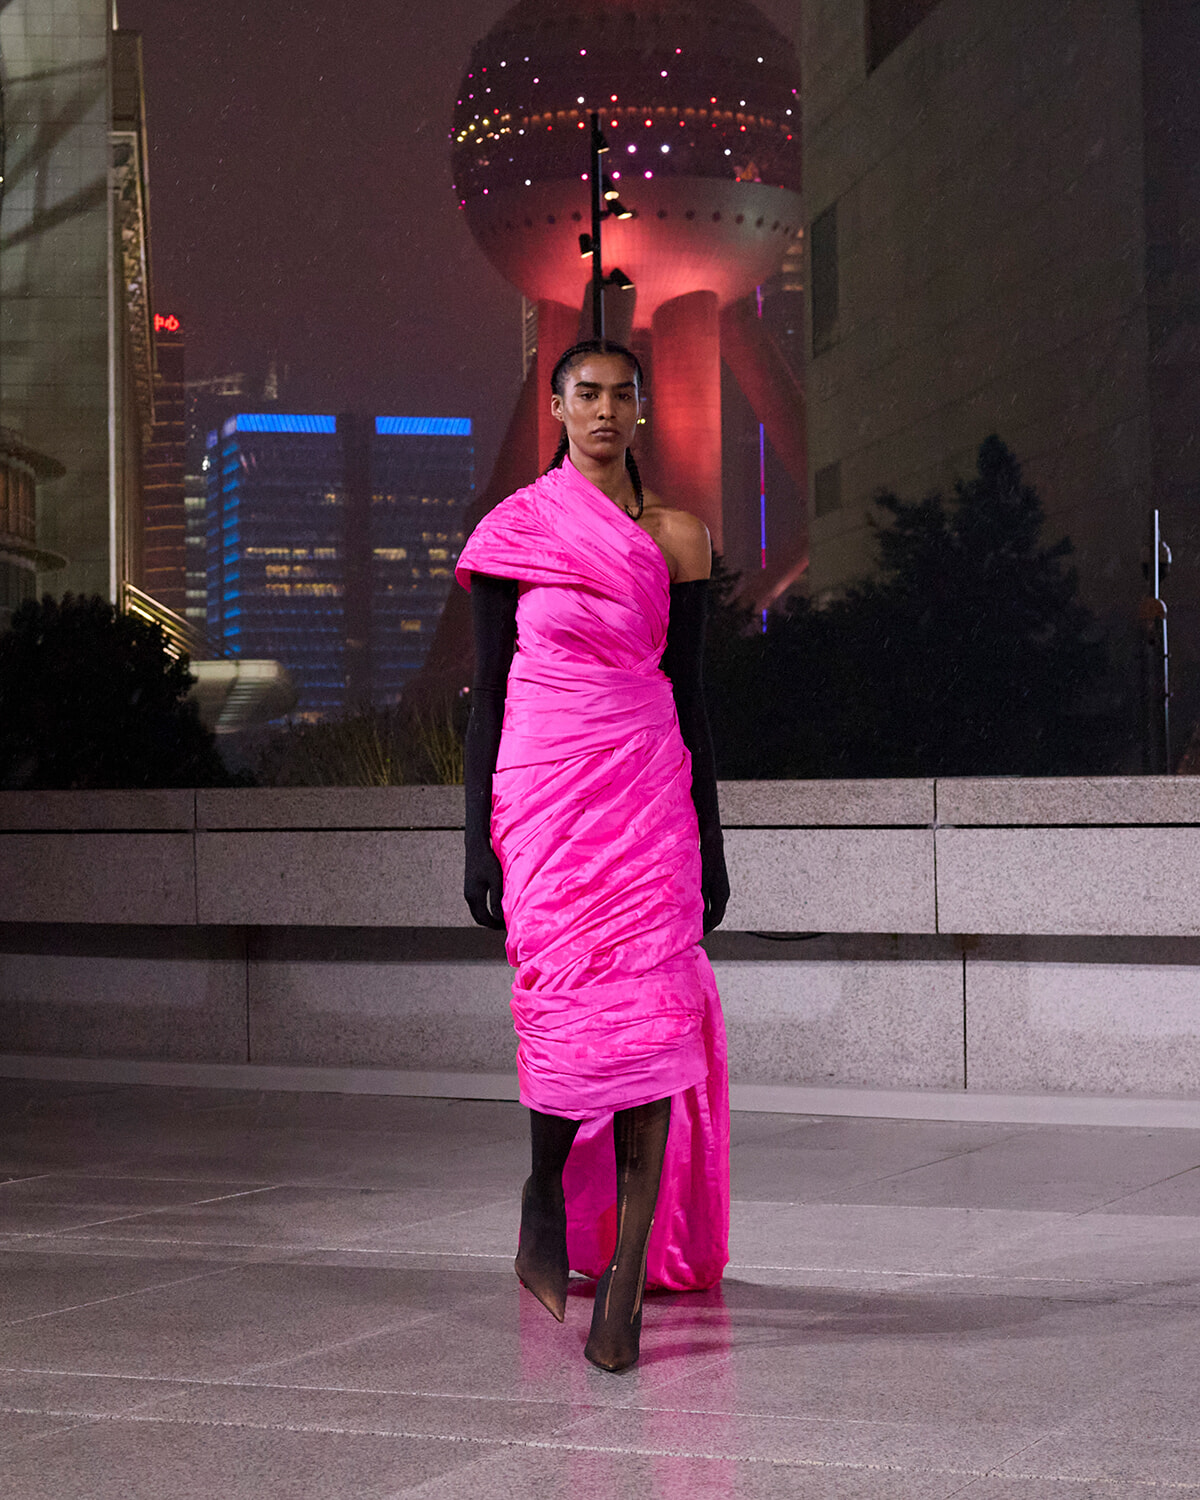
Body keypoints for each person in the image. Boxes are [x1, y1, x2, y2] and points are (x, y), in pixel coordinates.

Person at [455, 338, 730, 1372]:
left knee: (656, 1024)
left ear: (644, 409)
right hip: (543, 800)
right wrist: (475, 837)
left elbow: (694, 697)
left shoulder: (681, 536)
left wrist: (711, 843)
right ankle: (541, 1190)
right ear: (558, 406)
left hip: (649, 794)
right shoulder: (515, 529)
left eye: (623, 394)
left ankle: (622, 1287)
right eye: (587, 393)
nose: (606, 410)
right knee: (563, 1015)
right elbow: (486, 694)